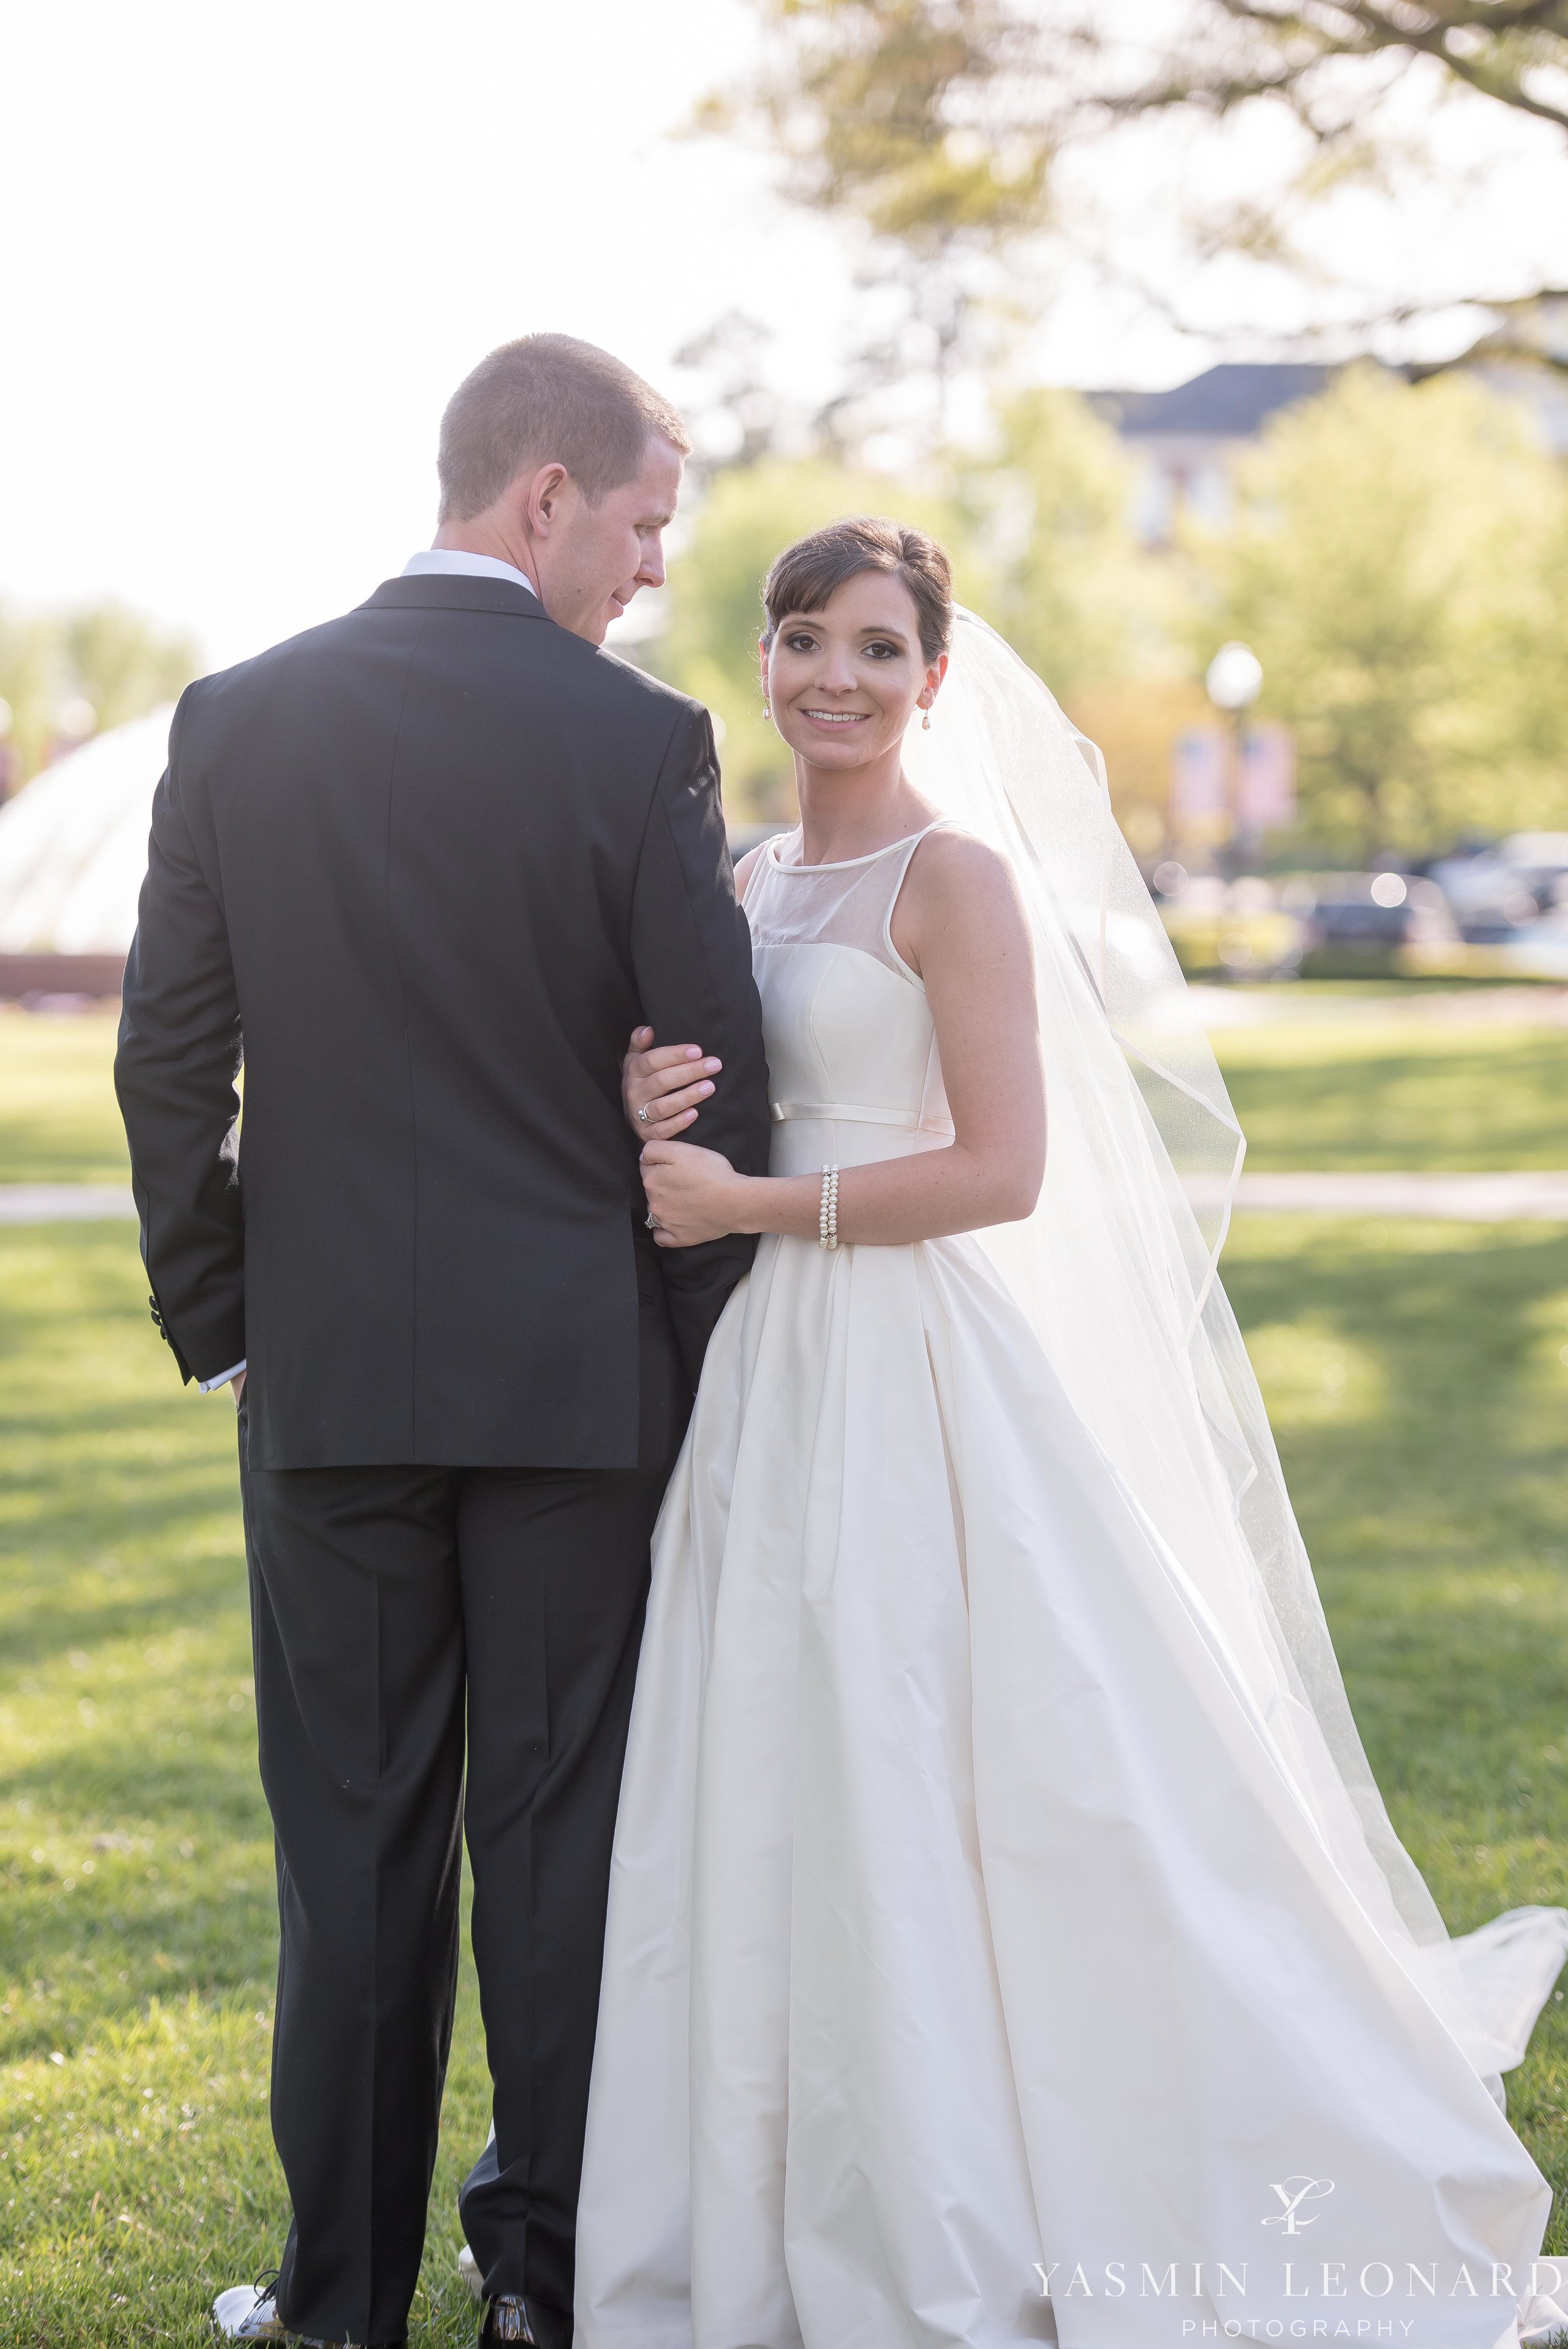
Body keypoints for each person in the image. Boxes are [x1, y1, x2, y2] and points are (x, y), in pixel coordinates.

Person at [575, 517, 1568, 2349]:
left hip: (910, 1362)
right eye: (805, 640)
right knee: (778, 1764)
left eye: (879, 649)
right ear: (768, 656)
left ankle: (1000, 2181)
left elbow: (1000, 1169)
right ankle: (793, 2182)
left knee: (955, 1758)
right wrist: (661, 1094)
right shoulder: (749, 870)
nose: (835, 680)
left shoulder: (954, 883)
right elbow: (731, 1082)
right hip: (769, 1383)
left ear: (932, 681)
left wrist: (751, 1210)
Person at [114, 334, 770, 2349]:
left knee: (353, 1859)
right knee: (557, 1851)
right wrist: (669, 1339)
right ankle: (542, 2284)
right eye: (646, 520)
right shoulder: (635, 742)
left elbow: (168, 1063)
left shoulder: (239, 719)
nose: (654, 568)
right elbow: (712, 1079)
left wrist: (234, 1324)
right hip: (578, 1388)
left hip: (329, 1393)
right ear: (545, 495)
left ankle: (337, 2307)